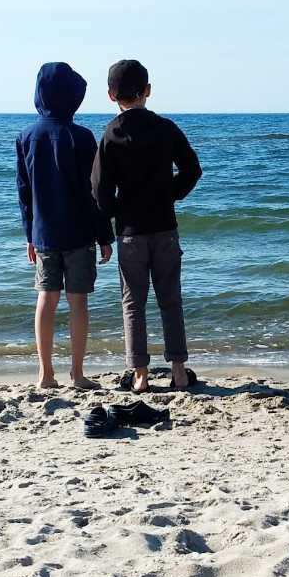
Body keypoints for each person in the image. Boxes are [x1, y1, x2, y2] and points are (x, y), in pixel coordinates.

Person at [90, 58, 202, 393]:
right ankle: (179, 371)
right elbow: (192, 169)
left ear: (111, 95)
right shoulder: (165, 128)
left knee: (132, 303)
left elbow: (98, 188)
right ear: (148, 91)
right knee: (171, 300)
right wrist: (171, 194)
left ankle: (140, 374)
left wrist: (113, 214)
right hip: (164, 227)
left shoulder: (111, 134)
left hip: (130, 233)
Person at [16, 62, 112, 389]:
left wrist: (29, 234)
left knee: (46, 297)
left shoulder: (27, 137)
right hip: (80, 233)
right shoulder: (83, 137)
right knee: (78, 300)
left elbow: (24, 192)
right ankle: (78, 373)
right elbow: (95, 193)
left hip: (44, 233)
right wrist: (104, 235)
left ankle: (44, 373)